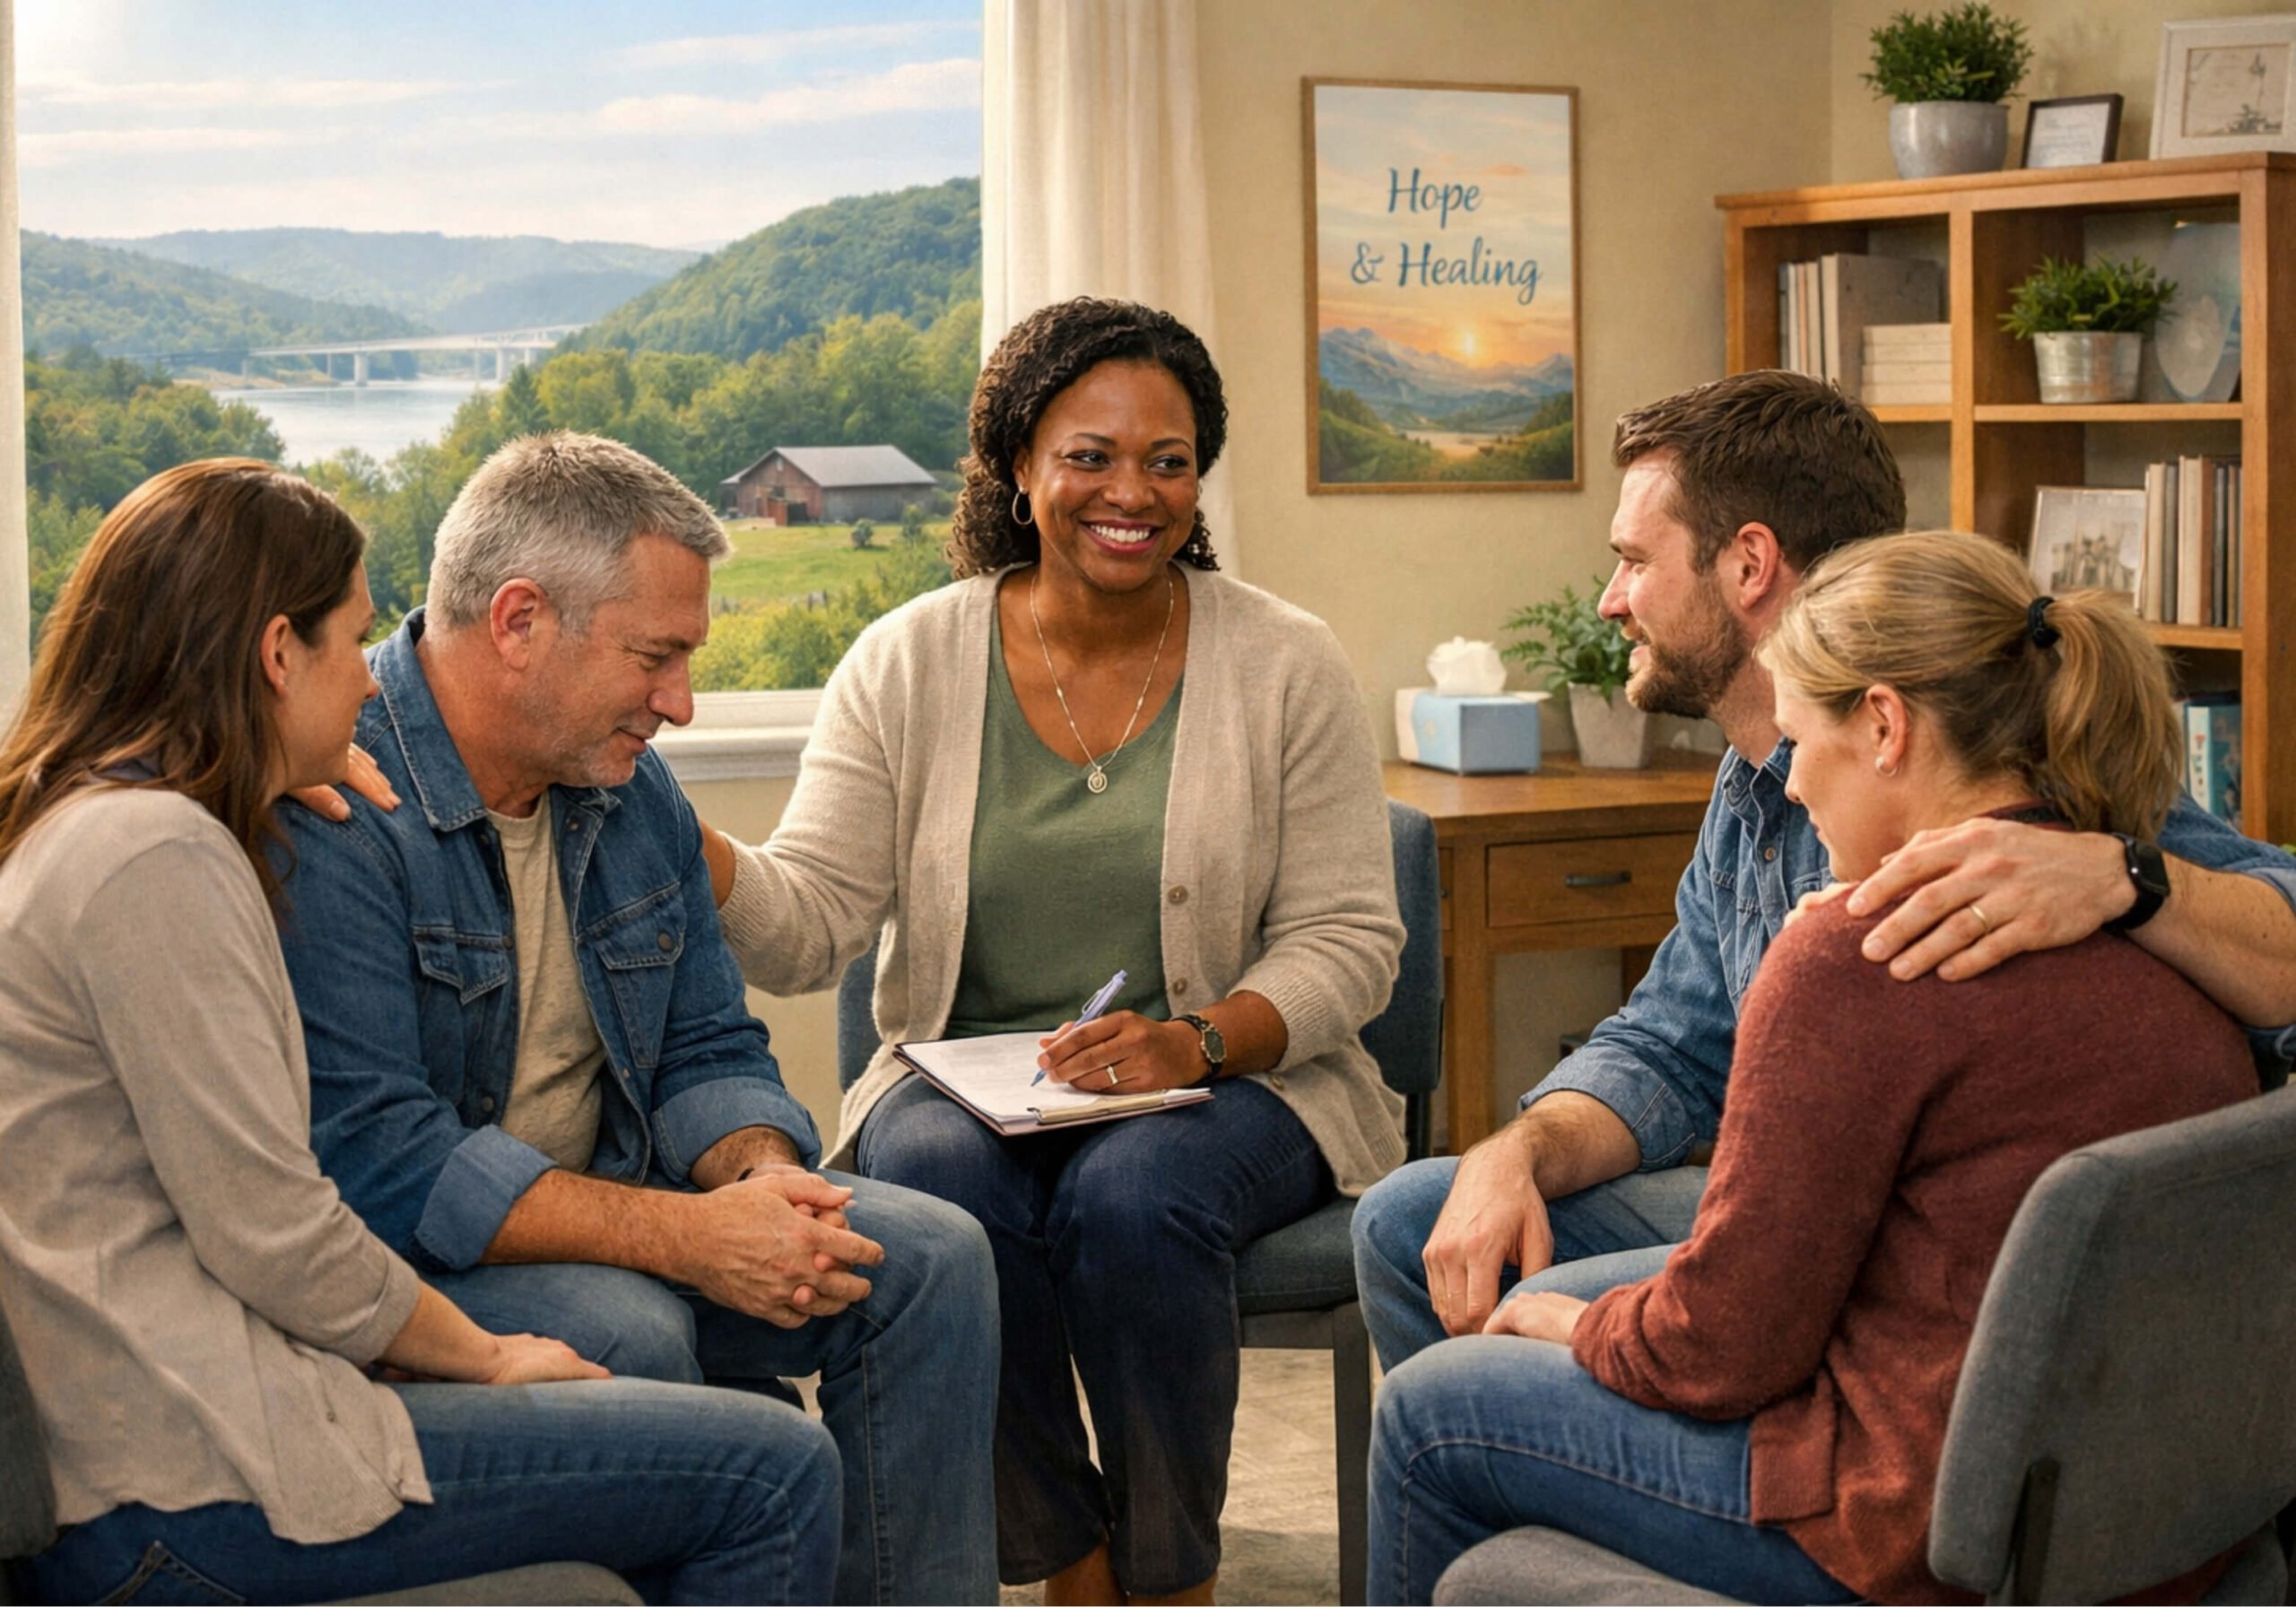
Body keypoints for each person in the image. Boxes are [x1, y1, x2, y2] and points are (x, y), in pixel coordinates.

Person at [0, 459, 839, 1605]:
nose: (371, 688)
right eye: (351, 644)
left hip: (167, 1434)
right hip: (184, 1469)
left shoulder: (102, 825)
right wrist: (482, 1352)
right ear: (274, 654)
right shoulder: (157, 858)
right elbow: (277, 1226)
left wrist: (272, 759)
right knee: (774, 1472)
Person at [1367, 530, 2262, 1605]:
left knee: (1430, 1409)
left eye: (1799, 744)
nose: (1788, 789)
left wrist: (1578, 1324)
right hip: (2143, 1526)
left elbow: (1725, 1348)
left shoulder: (1858, 950)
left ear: (1883, 725)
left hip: (1910, 1527)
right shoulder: (2150, 901)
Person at [1353, 369, 2296, 1366]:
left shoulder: (2019, 774)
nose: (1610, 598)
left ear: (1749, 562)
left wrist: (2129, 877)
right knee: (1419, 1218)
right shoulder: (1749, 785)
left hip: (1947, 1270)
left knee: (1466, 1394)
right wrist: (1521, 1150)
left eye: (1633, 560)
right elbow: (1672, 1043)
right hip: (1816, 1221)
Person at [700, 297, 1405, 1604]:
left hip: (1235, 1085)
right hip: (970, 1085)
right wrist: (693, 847)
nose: (1130, 491)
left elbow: (1351, 942)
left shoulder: (1286, 663)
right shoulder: (908, 660)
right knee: (922, 1175)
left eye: (1169, 459)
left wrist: (1188, 1041)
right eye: (1090, 455)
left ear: (1200, 477)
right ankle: (1066, 1558)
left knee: (1132, 1194)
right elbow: (807, 930)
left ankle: (1165, 1576)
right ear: (1021, 468)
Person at [271, 432, 999, 1604]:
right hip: (416, 1266)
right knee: (633, 1329)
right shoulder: (339, 801)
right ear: (518, 621)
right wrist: (687, 1240)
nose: (683, 704)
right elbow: (387, 1168)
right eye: (654, 658)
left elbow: (709, 1043)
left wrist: (757, 1180)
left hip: (623, 1212)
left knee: (928, 1263)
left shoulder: (627, 779)